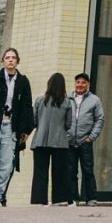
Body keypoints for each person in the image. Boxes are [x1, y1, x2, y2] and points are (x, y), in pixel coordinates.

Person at [0, 45, 36, 206]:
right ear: (3, 61)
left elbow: (27, 106)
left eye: (13, 58)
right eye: (7, 58)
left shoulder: (23, 82)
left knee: (7, 164)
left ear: (18, 61)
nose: (10, 60)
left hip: (11, 128)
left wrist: (26, 130)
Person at [30, 72, 77, 205]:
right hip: (59, 142)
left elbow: (34, 121)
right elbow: (68, 124)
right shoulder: (67, 102)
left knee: (40, 173)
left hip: (40, 141)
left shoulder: (40, 100)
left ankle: (40, 200)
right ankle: (59, 199)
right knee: (59, 173)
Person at [67, 74, 103, 203]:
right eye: (78, 82)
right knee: (71, 171)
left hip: (85, 141)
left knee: (88, 170)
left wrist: (91, 137)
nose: (80, 85)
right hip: (69, 141)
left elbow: (99, 119)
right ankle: (73, 198)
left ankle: (91, 198)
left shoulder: (94, 100)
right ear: (74, 84)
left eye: (83, 82)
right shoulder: (67, 99)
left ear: (88, 84)